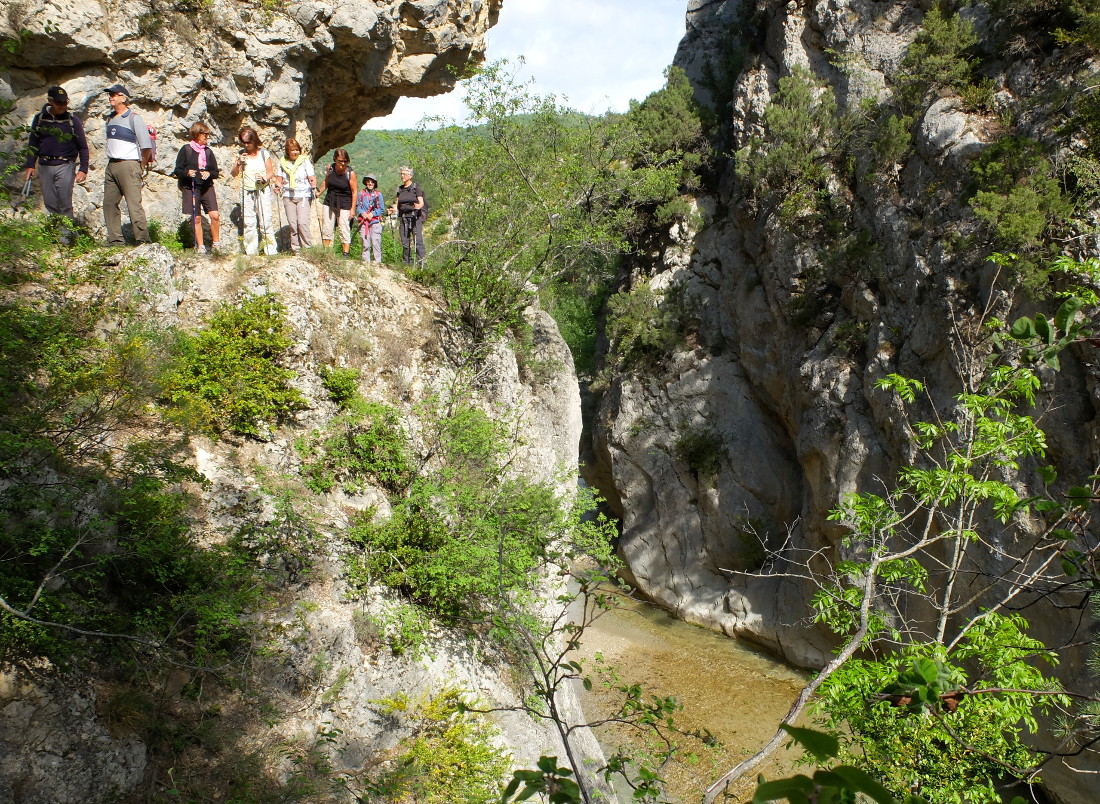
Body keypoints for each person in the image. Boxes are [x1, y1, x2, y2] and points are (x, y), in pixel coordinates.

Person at [23, 85, 89, 234]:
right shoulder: (40, 119)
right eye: (59, 103)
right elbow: (33, 142)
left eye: (65, 103)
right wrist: (30, 165)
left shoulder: (73, 121)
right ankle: (56, 235)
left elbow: (83, 147)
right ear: (50, 101)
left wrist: (83, 169)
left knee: (64, 202)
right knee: (50, 202)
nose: (63, 106)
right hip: (45, 165)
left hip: (65, 164)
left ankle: (67, 239)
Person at [103, 84, 152, 245]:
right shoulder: (110, 119)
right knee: (109, 203)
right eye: (110, 94)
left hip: (129, 164)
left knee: (133, 203)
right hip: (112, 165)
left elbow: (146, 146)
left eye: (115, 94)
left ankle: (143, 240)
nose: (111, 97)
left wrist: (141, 166)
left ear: (124, 98)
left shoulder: (134, 118)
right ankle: (115, 240)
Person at [172, 122, 221, 254]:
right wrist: (187, 173)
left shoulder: (208, 152)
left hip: (206, 186)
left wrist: (209, 173)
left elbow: (216, 172)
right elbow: (178, 170)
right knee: (196, 218)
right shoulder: (186, 149)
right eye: (205, 134)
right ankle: (201, 247)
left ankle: (216, 244)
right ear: (197, 134)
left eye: (208, 135)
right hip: (191, 186)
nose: (207, 137)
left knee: (214, 215)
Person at [230, 126, 276, 256]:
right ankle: (251, 252)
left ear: (254, 140)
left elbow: (270, 173)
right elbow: (233, 174)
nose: (246, 145)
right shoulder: (241, 154)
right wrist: (238, 163)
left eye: (248, 142)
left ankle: (270, 251)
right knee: (248, 222)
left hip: (262, 190)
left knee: (265, 220)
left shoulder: (263, 154)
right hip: (247, 191)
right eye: (243, 142)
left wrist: (263, 179)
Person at [274, 138, 317, 253]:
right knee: (293, 224)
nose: (295, 152)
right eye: (292, 150)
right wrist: (277, 186)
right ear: (288, 151)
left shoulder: (304, 161)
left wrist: (313, 185)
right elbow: (279, 179)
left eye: (297, 150)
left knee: (302, 223)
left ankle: (307, 248)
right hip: (288, 195)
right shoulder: (282, 163)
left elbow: (312, 177)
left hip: (303, 195)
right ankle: (296, 249)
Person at [317, 148, 357, 258]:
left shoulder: (350, 173)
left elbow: (354, 192)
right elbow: (326, 182)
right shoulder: (331, 169)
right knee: (327, 225)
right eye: (340, 161)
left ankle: (345, 253)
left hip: (345, 203)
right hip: (330, 201)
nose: (343, 163)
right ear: (335, 159)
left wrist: (353, 209)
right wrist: (319, 193)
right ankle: (326, 251)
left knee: (343, 227)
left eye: (345, 161)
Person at [390, 166, 425, 265]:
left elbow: (421, 202)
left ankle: (422, 265)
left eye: (404, 174)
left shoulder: (415, 188)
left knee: (418, 242)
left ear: (410, 175)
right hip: (404, 218)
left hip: (415, 218)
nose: (402, 176)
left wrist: (418, 206)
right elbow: (397, 204)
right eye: (401, 174)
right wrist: (392, 210)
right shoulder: (400, 189)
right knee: (405, 243)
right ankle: (406, 264)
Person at [355, 174, 385, 262]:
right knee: (365, 243)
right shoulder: (361, 194)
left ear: (375, 184)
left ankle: (377, 262)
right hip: (364, 222)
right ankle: (366, 262)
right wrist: (362, 213)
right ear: (366, 183)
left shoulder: (378, 195)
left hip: (375, 222)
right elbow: (358, 206)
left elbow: (381, 209)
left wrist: (373, 214)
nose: (370, 183)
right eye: (368, 181)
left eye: (372, 182)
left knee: (376, 242)